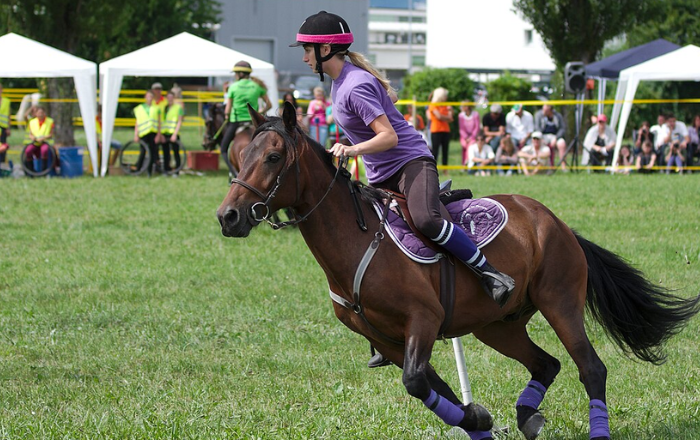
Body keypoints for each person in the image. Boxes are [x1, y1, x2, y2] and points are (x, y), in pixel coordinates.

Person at [291, 10, 514, 369]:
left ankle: (490, 273)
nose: (303, 57)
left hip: (411, 163)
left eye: (307, 49)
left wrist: (351, 149)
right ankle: (382, 328)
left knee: (426, 219)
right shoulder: (340, 83)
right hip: (381, 174)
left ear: (327, 50)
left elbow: (389, 136)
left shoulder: (355, 84)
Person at [221, 60, 272, 177]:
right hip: (254, 122)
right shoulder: (257, 86)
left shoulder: (233, 87)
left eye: (235, 73)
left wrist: (226, 116)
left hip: (236, 122)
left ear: (240, 74)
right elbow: (269, 105)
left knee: (223, 149)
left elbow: (227, 110)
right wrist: (259, 113)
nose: (235, 75)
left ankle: (233, 173)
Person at [132, 90, 161, 175]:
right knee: (142, 152)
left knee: (152, 152)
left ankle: (149, 171)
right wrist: (136, 134)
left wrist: (158, 134)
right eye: (148, 96)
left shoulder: (156, 109)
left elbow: (159, 122)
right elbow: (137, 122)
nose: (149, 98)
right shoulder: (139, 108)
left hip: (153, 132)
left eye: (151, 97)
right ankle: (138, 170)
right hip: (143, 133)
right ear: (145, 97)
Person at [427, 87, 453, 170]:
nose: (446, 97)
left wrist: (447, 115)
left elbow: (450, 118)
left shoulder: (445, 105)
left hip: (445, 130)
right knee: (435, 151)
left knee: (445, 151)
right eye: (445, 96)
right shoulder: (433, 105)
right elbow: (439, 116)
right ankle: (433, 169)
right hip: (436, 130)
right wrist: (446, 117)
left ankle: (445, 170)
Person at [23, 106, 54, 173]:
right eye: (38, 112)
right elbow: (25, 116)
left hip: (45, 142)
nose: (40, 114)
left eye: (41, 112)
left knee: (44, 150)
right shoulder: (31, 121)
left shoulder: (49, 121)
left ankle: (43, 171)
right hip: (34, 142)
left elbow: (51, 134)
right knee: (28, 151)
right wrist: (32, 137)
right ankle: (31, 171)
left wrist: (43, 138)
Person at [161, 91, 185, 174]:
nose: (170, 99)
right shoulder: (164, 108)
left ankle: (176, 171)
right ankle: (166, 170)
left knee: (176, 153)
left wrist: (175, 134)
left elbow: (180, 121)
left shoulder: (178, 108)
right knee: (166, 153)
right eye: (168, 97)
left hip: (174, 133)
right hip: (165, 133)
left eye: (171, 97)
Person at [458, 102, 480, 166]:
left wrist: (471, 137)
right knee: (464, 145)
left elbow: (477, 127)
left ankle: (467, 161)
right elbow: (461, 128)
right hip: (464, 137)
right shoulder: (461, 115)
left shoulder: (475, 114)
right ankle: (465, 162)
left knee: (470, 146)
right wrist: (466, 137)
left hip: (473, 136)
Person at [0, 83, 11, 164]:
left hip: (3, 127)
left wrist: (8, 128)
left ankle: (2, 163)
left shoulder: (6, 101)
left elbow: (8, 115)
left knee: (3, 146)